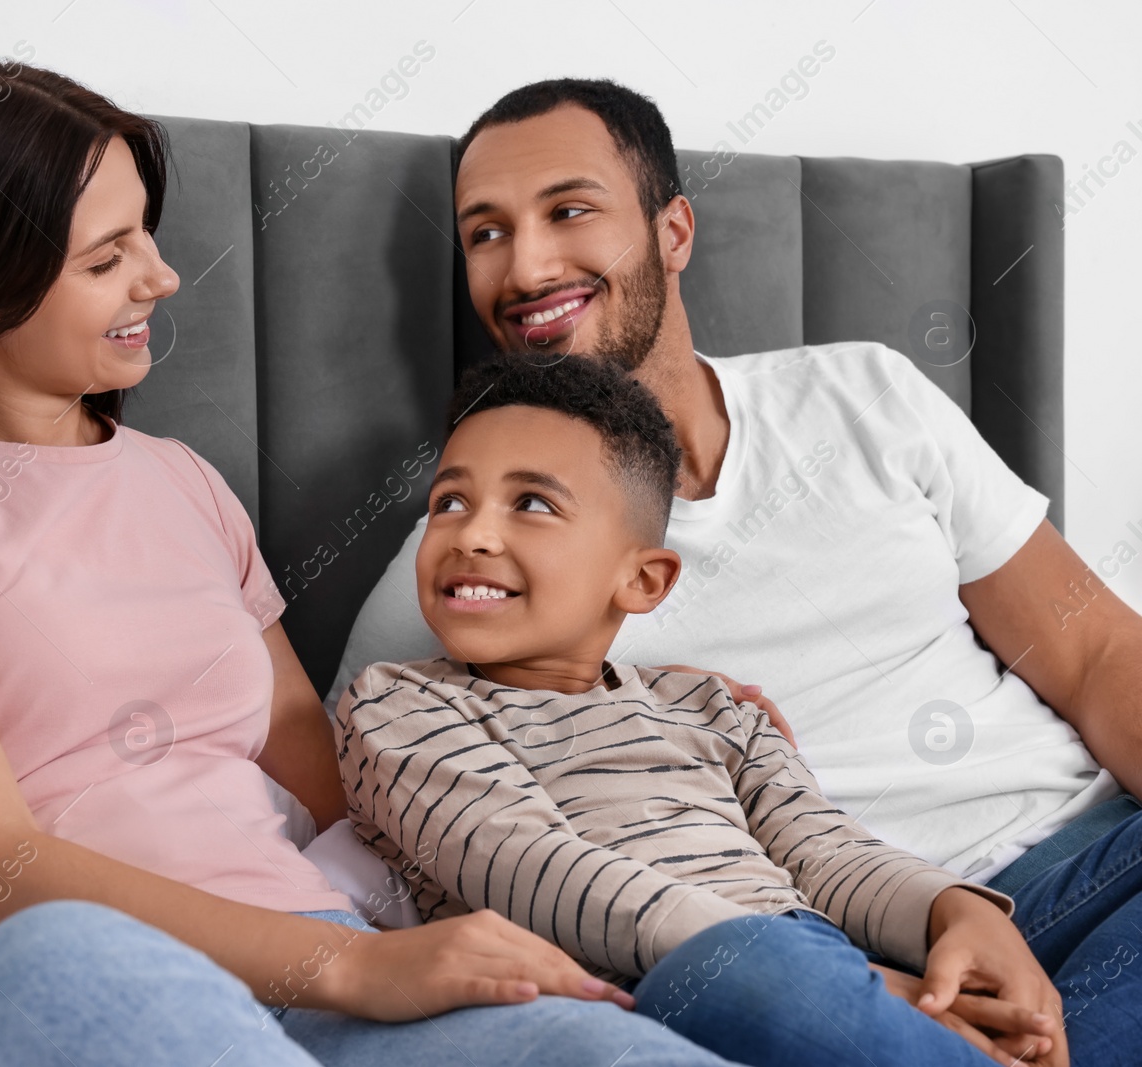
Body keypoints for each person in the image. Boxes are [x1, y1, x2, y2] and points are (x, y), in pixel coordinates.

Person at [0, 57, 744, 1067]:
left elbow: (341, 780)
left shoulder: (183, 482)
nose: (161, 277)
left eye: (148, 236)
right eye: (106, 258)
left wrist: (624, 709)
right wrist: (346, 969)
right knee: (56, 950)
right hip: (39, 977)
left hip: (317, 957)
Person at [327, 78, 1142, 1061]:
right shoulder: (452, 592)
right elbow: (395, 831)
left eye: (569, 211)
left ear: (672, 232)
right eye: (484, 232)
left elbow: (1095, 646)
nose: (525, 265)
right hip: (830, 949)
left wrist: (964, 913)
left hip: (1088, 854)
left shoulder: (865, 392)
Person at [336, 352, 1092, 1066]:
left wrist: (958, 913)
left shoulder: (710, 706)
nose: (473, 532)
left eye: (530, 502)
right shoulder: (399, 704)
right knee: (745, 972)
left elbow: (824, 852)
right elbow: (534, 868)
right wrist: (821, 968)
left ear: (643, 580)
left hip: (827, 966)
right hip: (666, 988)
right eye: (450, 501)